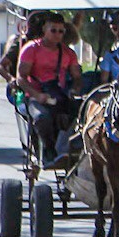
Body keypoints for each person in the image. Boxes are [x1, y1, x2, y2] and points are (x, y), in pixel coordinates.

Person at [17, 12, 82, 167]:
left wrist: (74, 90)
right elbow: (21, 78)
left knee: (79, 113)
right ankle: (48, 150)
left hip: (59, 94)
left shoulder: (68, 53)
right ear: (45, 29)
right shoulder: (31, 49)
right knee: (42, 117)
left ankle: (71, 150)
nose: (57, 35)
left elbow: (77, 77)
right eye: (53, 30)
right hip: (35, 96)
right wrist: (36, 95)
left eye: (61, 31)